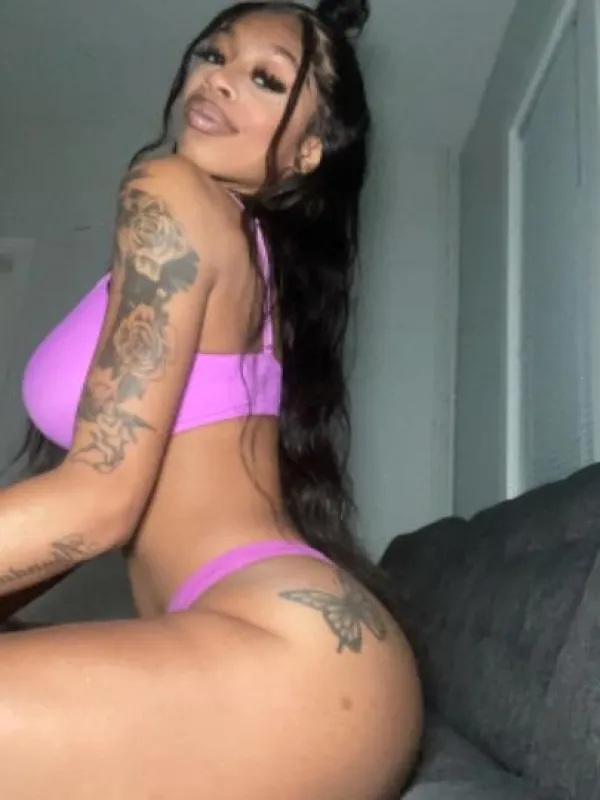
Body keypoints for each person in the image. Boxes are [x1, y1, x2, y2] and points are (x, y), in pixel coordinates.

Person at [0, 0, 422, 796]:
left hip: (291, 663)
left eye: (265, 79)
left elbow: (97, 503)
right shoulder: (236, 255)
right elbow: (86, 520)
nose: (219, 79)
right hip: (313, 671)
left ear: (307, 152)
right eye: (213, 54)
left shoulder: (170, 190)